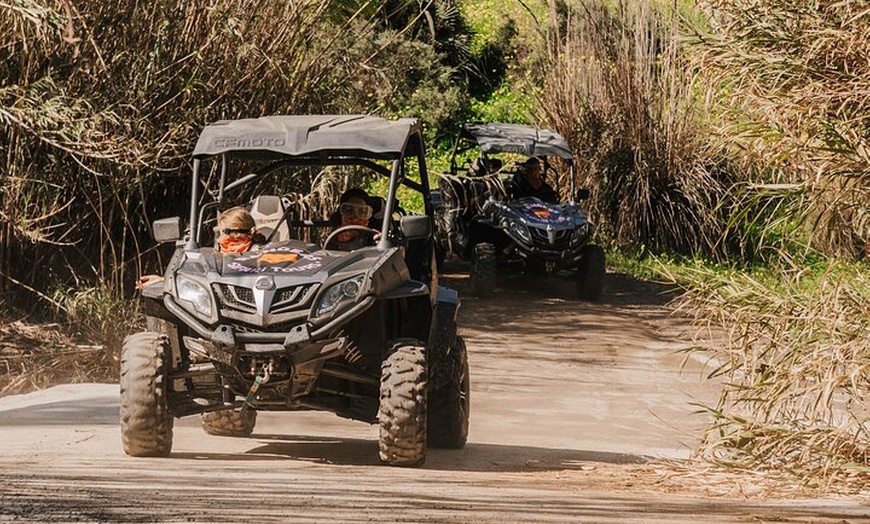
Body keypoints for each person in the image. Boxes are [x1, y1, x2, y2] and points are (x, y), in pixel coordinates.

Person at [136, 206, 264, 290]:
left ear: (240, 233)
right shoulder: (213, 259)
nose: (219, 240)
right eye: (217, 234)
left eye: (222, 233)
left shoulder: (264, 258)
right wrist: (162, 282)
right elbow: (195, 284)